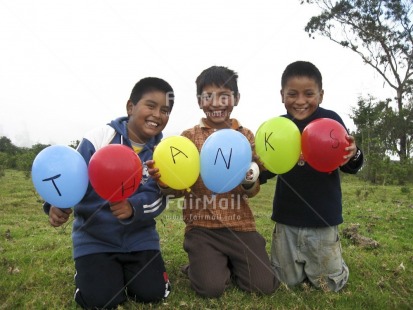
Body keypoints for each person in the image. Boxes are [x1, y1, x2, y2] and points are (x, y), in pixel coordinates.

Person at [148, 66, 279, 298]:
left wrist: (250, 180)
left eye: (224, 95)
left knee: (263, 286)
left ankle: (225, 264)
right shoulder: (188, 138)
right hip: (202, 229)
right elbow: (178, 188)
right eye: (208, 96)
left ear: (236, 99)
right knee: (210, 288)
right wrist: (165, 183)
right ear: (199, 101)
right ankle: (201, 264)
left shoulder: (246, 137)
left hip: (241, 226)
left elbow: (252, 190)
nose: (216, 103)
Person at [43, 77, 174, 309]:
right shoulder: (100, 138)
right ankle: (86, 276)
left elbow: (160, 199)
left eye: (165, 110)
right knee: (101, 301)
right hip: (95, 240)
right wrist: (55, 204)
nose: (157, 115)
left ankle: (132, 273)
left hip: (141, 240)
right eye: (150, 106)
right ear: (130, 107)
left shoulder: (164, 153)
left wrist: (133, 207)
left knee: (153, 294)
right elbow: (71, 177)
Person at [260, 60, 364, 292]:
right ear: (282, 95)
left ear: (321, 94)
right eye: (292, 94)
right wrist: (254, 173)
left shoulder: (331, 122)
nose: (300, 101)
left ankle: (337, 268)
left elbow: (349, 164)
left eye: (309, 94)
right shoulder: (277, 127)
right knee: (285, 282)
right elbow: (267, 168)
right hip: (287, 219)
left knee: (327, 285)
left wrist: (354, 153)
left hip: (323, 220)